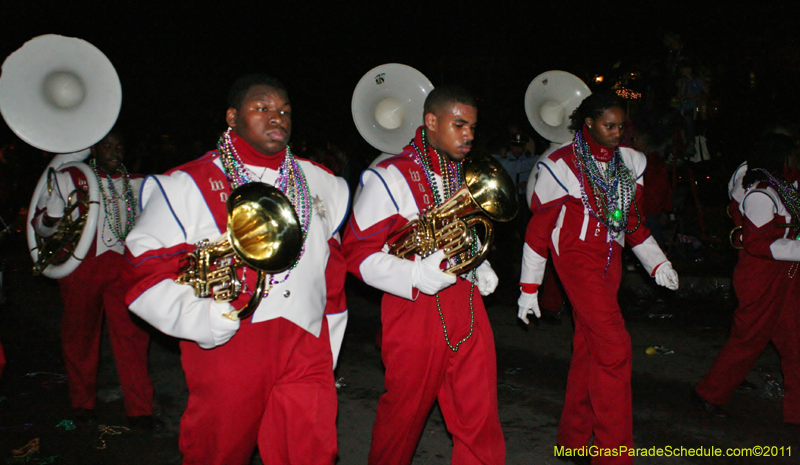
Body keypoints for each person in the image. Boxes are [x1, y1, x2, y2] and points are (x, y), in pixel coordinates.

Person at [123, 75, 350, 465]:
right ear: (232, 116)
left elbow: (332, 272)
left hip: (306, 344)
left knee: (313, 450)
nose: (276, 118)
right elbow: (144, 275)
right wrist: (202, 318)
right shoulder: (186, 184)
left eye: (284, 111)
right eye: (262, 108)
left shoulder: (321, 181)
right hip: (230, 342)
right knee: (217, 451)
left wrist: (328, 341)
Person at [342, 85, 505, 465]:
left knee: (479, 417)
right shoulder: (388, 175)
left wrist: (479, 264)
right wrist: (412, 274)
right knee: (405, 416)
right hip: (412, 310)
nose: (469, 135)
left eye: (473, 127)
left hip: (465, 304)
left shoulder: (463, 172)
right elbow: (356, 254)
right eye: (459, 124)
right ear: (431, 122)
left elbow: (463, 233)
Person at [517, 92, 679, 464]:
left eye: (622, 126)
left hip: (612, 261)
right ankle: (613, 454)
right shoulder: (560, 164)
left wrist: (658, 263)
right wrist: (529, 289)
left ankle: (573, 440)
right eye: (609, 125)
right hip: (576, 259)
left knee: (589, 349)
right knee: (614, 349)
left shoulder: (631, 161)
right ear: (588, 123)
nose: (617, 133)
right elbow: (538, 231)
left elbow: (632, 221)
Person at [31, 130, 157, 428]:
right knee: (80, 336)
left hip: (124, 267)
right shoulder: (70, 176)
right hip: (82, 267)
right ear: (94, 149)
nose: (114, 152)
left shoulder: (139, 182)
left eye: (119, 145)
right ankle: (82, 404)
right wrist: (52, 217)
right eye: (107, 146)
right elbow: (41, 226)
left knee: (133, 338)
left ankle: (140, 410)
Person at [693, 133, 800, 423]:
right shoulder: (761, 193)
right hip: (760, 275)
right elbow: (757, 243)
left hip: (783, 274)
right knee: (749, 339)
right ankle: (710, 393)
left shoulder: (784, 186)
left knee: (794, 341)